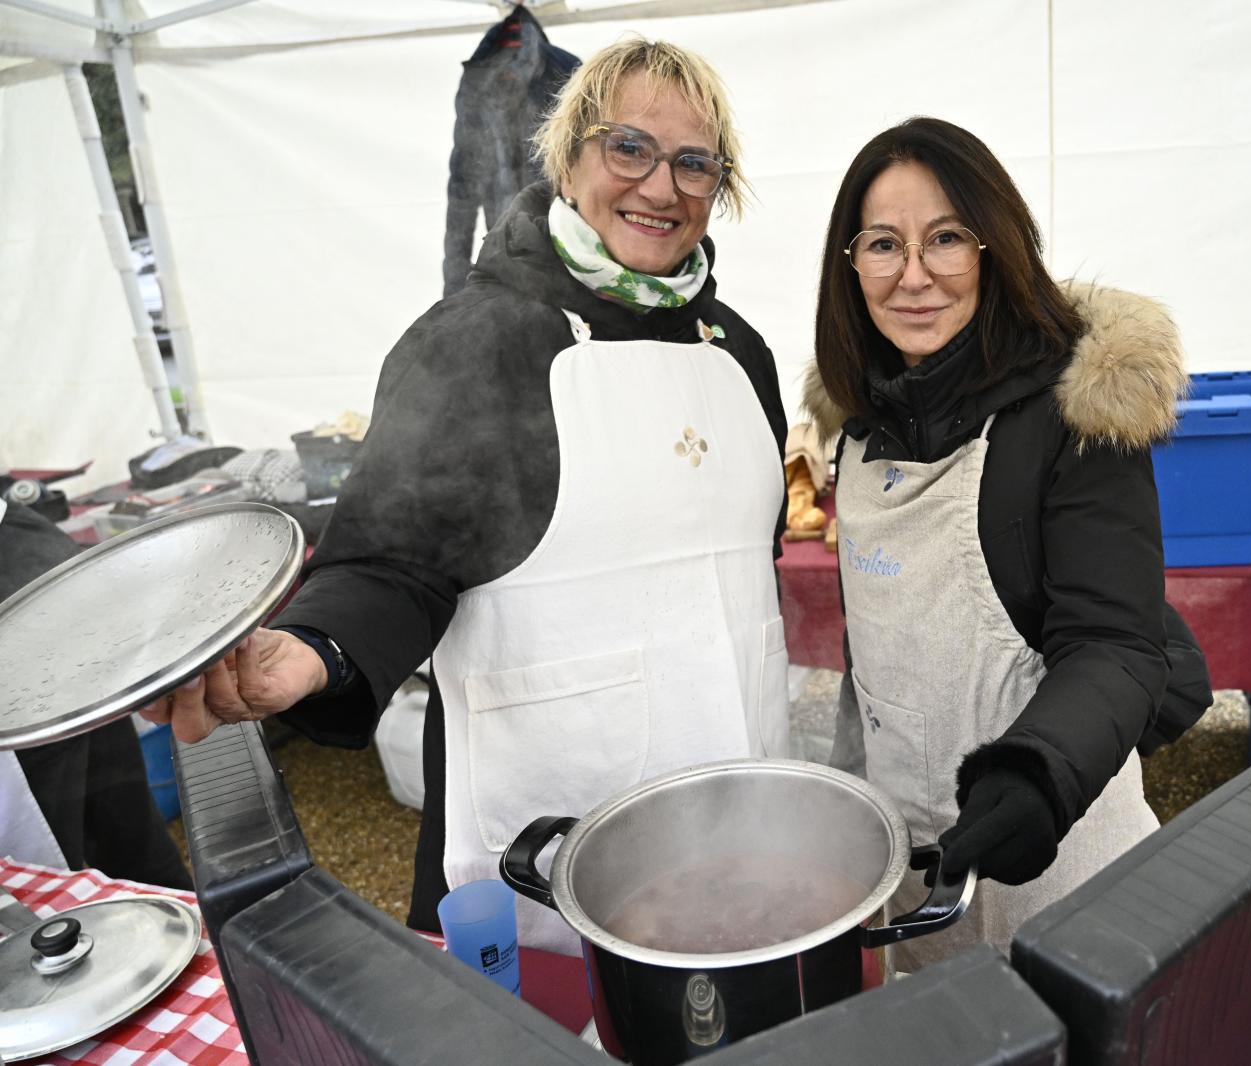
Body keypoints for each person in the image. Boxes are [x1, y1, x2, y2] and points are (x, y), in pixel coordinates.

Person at [139, 39, 791, 954]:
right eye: (628, 147)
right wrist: (317, 649)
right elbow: (393, 560)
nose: (662, 186)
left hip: (740, 799)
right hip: (549, 838)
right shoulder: (476, 338)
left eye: (695, 163)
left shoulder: (740, 352)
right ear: (567, 157)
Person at [804, 117, 1210, 968]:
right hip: (918, 884)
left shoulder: (1070, 421)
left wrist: (1037, 772)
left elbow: (1118, 644)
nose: (914, 276)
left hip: (1062, 860)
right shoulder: (855, 433)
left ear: (995, 249)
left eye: (946, 238)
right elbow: (876, 661)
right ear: (850, 267)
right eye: (883, 244)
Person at [0, 492, 192, 890]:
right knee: (117, 819)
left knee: (103, 826)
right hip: (31, 561)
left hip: (22, 576)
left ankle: (178, 926)